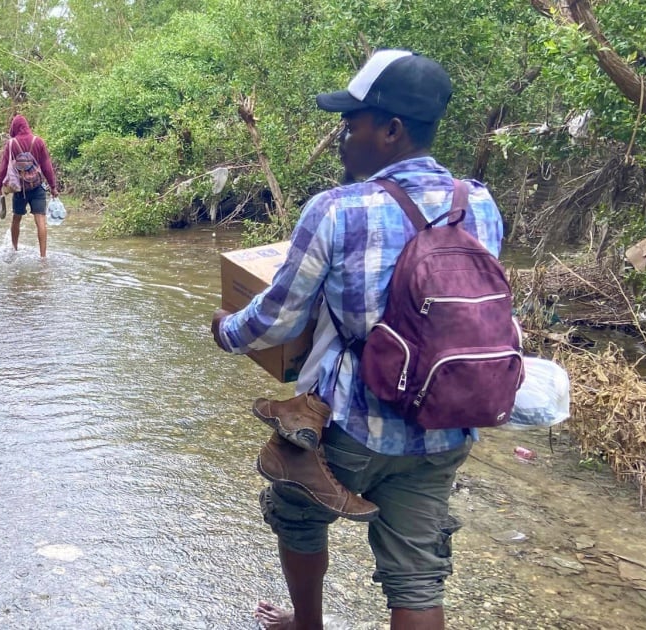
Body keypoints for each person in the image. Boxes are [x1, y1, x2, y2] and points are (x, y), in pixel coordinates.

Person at [212, 50, 504, 630]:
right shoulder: (480, 203)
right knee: (417, 573)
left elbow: (277, 320)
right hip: (448, 416)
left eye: (353, 123)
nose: (343, 136)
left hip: (353, 422)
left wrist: (225, 330)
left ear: (391, 130)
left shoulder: (337, 209)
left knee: (294, 505)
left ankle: (308, 624)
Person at [0, 114, 59, 258]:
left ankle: (14, 249)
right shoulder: (38, 141)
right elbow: (47, 166)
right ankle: (43, 256)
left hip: (19, 189)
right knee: (40, 220)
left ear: (15, 127)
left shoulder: (11, 144)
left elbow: (3, 168)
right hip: (37, 187)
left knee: (16, 218)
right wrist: (53, 186)